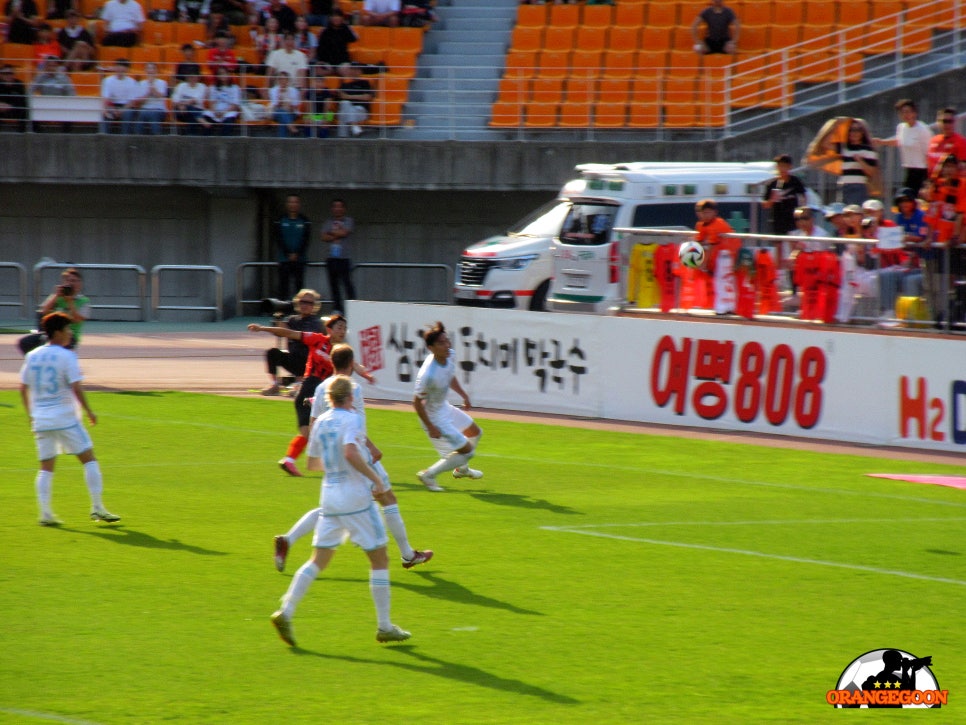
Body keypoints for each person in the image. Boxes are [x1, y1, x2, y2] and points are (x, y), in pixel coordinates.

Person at [269, 375, 411, 648]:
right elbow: (349, 453)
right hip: (355, 499)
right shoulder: (353, 419)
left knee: (317, 560)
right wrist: (375, 478)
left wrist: (336, 470)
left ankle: (286, 610)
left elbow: (312, 464)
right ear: (350, 397)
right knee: (379, 558)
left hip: (330, 496)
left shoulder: (320, 422)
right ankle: (384, 626)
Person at [273, 343, 433, 572]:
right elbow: (353, 422)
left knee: (332, 509)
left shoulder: (321, 389)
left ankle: (288, 539)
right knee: (388, 499)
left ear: (331, 362)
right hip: (357, 454)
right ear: (351, 365)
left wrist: (321, 455)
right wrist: (373, 447)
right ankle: (407, 554)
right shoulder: (351, 388)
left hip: (333, 457)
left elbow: (314, 424)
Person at [19, 312, 121, 527]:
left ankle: (45, 514)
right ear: (57, 332)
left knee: (46, 467)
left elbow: (23, 387)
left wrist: (31, 416)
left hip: (41, 420)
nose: (70, 333)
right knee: (89, 459)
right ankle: (97, 507)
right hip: (65, 418)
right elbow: (76, 386)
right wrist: (90, 411)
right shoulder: (67, 356)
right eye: (67, 329)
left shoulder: (32, 355)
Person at [248, 313, 374, 477]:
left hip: (324, 394)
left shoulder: (341, 352)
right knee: (316, 433)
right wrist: (262, 328)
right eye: (339, 327)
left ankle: (290, 460)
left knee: (313, 433)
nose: (342, 331)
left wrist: (367, 375)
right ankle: (348, 463)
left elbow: (355, 365)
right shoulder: (316, 339)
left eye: (344, 328)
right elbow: (289, 333)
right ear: (329, 329)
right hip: (309, 388)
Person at [412, 322, 483, 492]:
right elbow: (416, 402)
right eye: (441, 343)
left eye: (447, 341)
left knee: (475, 432)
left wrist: (463, 395)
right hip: (434, 417)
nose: (447, 345)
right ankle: (428, 474)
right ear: (431, 348)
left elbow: (449, 376)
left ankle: (461, 469)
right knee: (468, 452)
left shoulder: (450, 355)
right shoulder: (428, 375)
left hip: (444, 407)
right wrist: (430, 426)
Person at [259, 288, 323, 396]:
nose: (305, 305)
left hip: (309, 362)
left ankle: (299, 383)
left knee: (301, 351)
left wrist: (284, 330)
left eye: (309, 303)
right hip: (293, 359)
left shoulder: (316, 322)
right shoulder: (292, 319)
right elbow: (279, 332)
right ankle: (274, 384)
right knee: (272, 353)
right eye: (302, 302)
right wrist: (278, 317)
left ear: (314, 306)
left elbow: (300, 336)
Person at [872, 99, 932, 195]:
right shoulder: (901, 127)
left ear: (914, 113)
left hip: (921, 170)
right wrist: (882, 142)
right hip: (908, 168)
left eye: (908, 112)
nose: (906, 115)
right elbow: (900, 141)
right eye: (902, 112)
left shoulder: (922, 129)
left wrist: (929, 178)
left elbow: (929, 152)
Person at [823, 119, 879, 205]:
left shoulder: (868, 150)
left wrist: (861, 162)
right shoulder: (843, 148)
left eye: (858, 130)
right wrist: (834, 127)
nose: (854, 133)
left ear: (862, 132)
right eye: (851, 130)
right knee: (843, 213)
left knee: (856, 213)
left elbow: (872, 172)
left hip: (859, 186)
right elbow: (826, 144)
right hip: (844, 185)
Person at [320, 197, 356, 313]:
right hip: (331, 258)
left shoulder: (348, 221)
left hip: (344, 258)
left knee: (347, 284)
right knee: (333, 285)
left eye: (340, 206)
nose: (337, 209)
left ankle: (353, 308)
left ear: (344, 208)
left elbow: (345, 232)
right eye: (335, 206)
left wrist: (331, 233)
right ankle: (337, 309)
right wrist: (337, 234)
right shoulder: (328, 222)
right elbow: (323, 237)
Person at [273, 193, 312, 300]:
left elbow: (306, 239)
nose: (293, 204)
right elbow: (278, 238)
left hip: (300, 260)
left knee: (299, 286)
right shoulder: (280, 220)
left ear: (299, 204)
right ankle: (282, 311)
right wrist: (288, 253)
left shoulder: (305, 220)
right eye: (290, 202)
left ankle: (298, 312)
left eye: (295, 202)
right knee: (283, 286)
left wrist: (297, 254)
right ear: (287, 204)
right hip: (284, 259)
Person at [760, 154, 807, 236]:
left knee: (793, 243)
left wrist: (801, 213)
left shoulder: (795, 181)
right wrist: (772, 199)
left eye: (784, 166)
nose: (782, 169)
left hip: (793, 220)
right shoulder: (773, 184)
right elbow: (765, 205)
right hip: (778, 220)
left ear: (789, 167)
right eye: (780, 166)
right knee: (779, 244)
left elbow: (804, 198)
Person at [100, 59, 140, 134]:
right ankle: (104, 136)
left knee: (128, 114)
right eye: (118, 67)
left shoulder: (132, 82)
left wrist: (121, 111)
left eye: (122, 68)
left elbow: (132, 102)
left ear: (127, 69)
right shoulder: (107, 80)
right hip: (112, 106)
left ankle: (125, 137)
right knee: (105, 114)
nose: (120, 70)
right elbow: (106, 98)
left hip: (126, 107)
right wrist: (105, 109)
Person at [335, 61, 373, 137]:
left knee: (344, 111)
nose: (355, 71)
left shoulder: (365, 83)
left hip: (360, 111)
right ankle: (354, 126)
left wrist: (348, 97)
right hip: (347, 111)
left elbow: (367, 97)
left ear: (360, 71)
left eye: (357, 69)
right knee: (344, 105)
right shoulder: (344, 84)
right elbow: (339, 99)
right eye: (353, 69)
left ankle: (343, 137)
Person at [201, 66, 241, 135]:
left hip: (228, 111)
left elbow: (235, 104)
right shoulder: (213, 87)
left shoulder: (235, 88)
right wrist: (215, 112)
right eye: (220, 74)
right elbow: (211, 102)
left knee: (229, 120)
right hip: (215, 111)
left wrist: (223, 112)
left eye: (224, 73)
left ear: (228, 74)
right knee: (206, 117)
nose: (223, 75)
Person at [927, 108, 966, 174]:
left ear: (954, 123)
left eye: (950, 121)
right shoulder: (933, 140)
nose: (947, 125)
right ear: (938, 122)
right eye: (944, 121)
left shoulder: (961, 142)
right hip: (934, 183)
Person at [136, 62, 169, 135]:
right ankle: (137, 139)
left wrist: (152, 88)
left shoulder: (162, 83)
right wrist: (148, 93)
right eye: (148, 68)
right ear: (145, 70)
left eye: (153, 68)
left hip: (158, 109)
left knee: (153, 114)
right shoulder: (141, 83)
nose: (150, 70)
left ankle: (156, 138)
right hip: (145, 109)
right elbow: (140, 102)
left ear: (156, 71)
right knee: (141, 115)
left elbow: (161, 96)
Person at [268, 70, 303, 137]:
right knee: (281, 111)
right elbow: (274, 106)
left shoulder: (294, 91)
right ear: (277, 80)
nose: (282, 81)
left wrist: (289, 106)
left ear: (288, 80)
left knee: (283, 120)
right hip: (276, 113)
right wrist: (280, 100)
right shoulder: (273, 90)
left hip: (291, 112)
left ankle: (282, 143)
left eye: (284, 79)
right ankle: (292, 128)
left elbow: (295, 106)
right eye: (280, 79)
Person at [0, 65, 29, 133]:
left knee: (25, 110)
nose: (8, 76)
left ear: (14, 74)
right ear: (1, 75)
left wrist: (11, 106)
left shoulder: (19, 84)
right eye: (5, 73)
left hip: (14, 109)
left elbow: (23, 99)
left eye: (10, 73)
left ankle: (23, 134)